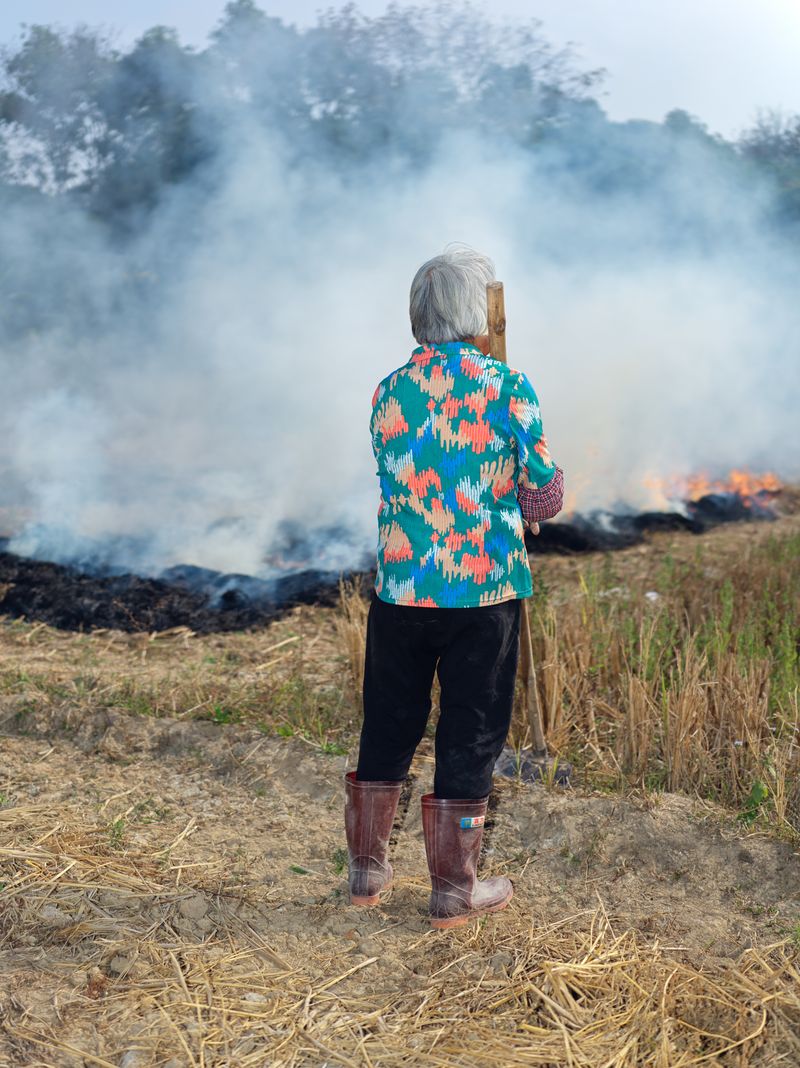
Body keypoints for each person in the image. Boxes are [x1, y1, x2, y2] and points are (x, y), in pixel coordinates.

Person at [344, 246, 564, 929]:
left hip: (402, 588)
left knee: (388, 721)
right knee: (470, 731)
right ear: (479, 315)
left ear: (419, 316)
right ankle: (452, 891)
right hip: (483, 595)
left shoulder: (387, 390)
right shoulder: (507, 386)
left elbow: (398, 477)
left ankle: (365, 873)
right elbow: (546, 495)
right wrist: (521, 499)